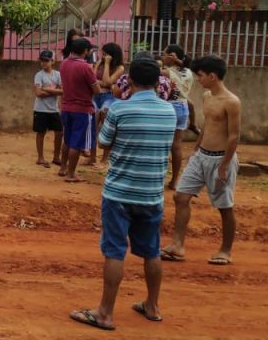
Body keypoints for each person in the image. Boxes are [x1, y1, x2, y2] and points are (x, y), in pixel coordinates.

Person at [69, 57, 176, 331]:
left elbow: (103, 142)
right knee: (151, 251)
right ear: (157, 82)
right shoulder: (170, 112)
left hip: (120, 193)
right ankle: (152, 305)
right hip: (152, 193)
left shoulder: (120, 109)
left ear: (129, 81)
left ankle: (105, 313)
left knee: (115, 251)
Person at [160, 55, 241, 266]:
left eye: (201, 75)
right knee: (181, 196)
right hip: (201, 155)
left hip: (221, 159)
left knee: (225, 206)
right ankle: (177, 245)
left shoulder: (232, 102)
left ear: (212, 76)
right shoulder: (206, 96)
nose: (198, 79)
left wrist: (225, 164)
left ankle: (226, 250)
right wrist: (196, 149)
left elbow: (234, 136)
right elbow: (207, 125)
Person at [58, 38, 101, 182]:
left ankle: (63, 168)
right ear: (85, 51)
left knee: (67, 140)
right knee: (77, 143)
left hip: (66, 106)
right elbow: (97, 89)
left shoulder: (64, 64)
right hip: (82, 108)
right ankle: (71, 173)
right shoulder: (86, 67)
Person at [162, 44, 194, 190]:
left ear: (172, 56)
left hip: (169, 107)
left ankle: (158, 177)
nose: (162, 57)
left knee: (162, 144)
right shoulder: (189, 72)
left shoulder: (167, 73)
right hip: (183, 107)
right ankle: (175, 180)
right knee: (176, 146)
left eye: (164, 54)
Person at [91, 43, 125, 166]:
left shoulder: (119, 68)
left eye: (105, 54)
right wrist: (104, 83)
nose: (103, 56)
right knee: (92, 125)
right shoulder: (99, 62)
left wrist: (106, 64)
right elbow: (93, 80)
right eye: (103, 53)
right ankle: (92, 156)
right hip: (96, 96)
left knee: (106, 127)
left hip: (109, 98)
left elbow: (107, 81)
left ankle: (105, 158)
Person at [33, 50, 62, 168]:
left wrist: (48, 90)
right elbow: (38, 93)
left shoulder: (58, 75)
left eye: (46, 60)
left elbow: (63, 91)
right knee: (41, 132)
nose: (44, 63)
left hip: (54, 109)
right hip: (40, 109)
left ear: (53, 61)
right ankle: (40, 157)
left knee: (59, 132)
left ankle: (56, 157)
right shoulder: (39, 75)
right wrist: (55, 91)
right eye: (42, 60)